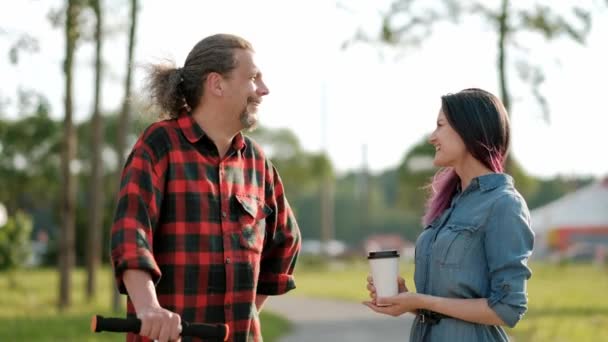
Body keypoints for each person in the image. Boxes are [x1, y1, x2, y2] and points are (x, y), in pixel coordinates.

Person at [110, 33, 301, 342]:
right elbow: (131, 233)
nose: (264, 90)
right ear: (217, 84)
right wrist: (148, 308)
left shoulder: (257, 161)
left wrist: (247, 313)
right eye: (253, 78)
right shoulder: (160, 145)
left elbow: (286, 241)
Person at [364, 88, 534, 341]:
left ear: (468, 129)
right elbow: (447, 304)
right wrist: (409, 301)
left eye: (440, 125)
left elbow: (507, 309)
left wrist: (423, 301)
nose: (433, 137)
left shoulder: (504, 205)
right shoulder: (450, 205)